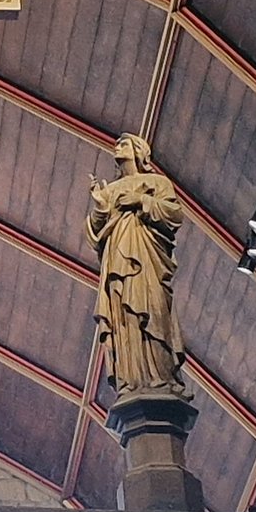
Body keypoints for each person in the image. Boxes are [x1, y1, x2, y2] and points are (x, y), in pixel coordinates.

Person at [86, 133, 189, 399]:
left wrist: (141, 201)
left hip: (147, 259)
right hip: (117, 260)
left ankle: (160, 376)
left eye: (125, 143)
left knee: (151, 309)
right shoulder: (109, 190)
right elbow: (95, 233)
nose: (117, 146)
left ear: (139, 151)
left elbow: (174, 214)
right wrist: (99, 207)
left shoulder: (157, 182)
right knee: (124, 318)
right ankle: (130, 379)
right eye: (117, 143)